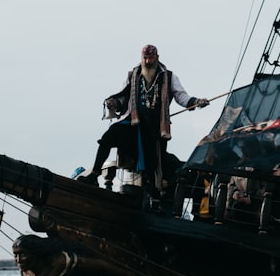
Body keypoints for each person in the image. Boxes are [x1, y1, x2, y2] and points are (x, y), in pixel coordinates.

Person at [81, 44, 208, 210]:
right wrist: (114, 102)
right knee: (109, 136)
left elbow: (181, 96)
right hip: (133, 123)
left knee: (153, 164)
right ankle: (95, 173)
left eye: (151, 58)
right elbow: (123, 97)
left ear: (157, 58)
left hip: (155, 128)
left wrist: (196, 102)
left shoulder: (168, 77)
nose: (148, 62)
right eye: (145, 59)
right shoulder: (133, 75)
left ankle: (154, 200)